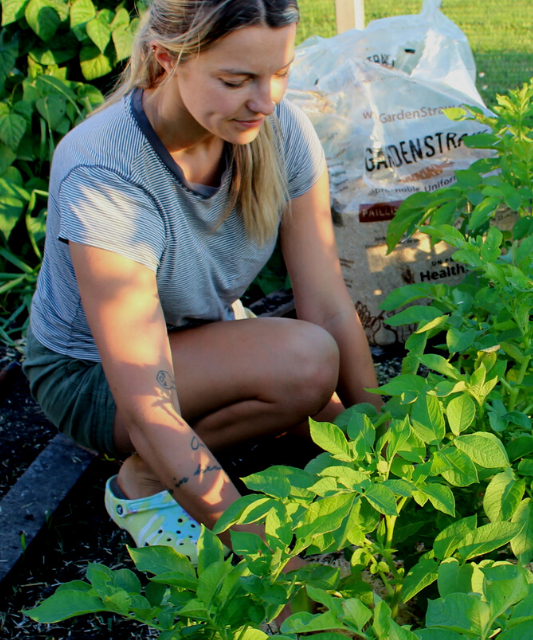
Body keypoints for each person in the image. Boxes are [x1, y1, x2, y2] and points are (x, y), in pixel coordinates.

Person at [22, 0, 381, 559]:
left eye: (280, 73)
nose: (266, 101)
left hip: (199, 333)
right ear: (167, 60)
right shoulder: (106, 169)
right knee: (305, 365)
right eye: (237, 80)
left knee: (335, 419)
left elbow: (330, 304)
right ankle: (141, 485)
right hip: (90, 373)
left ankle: (181, 457)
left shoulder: (278, 130)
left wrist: (391, 457)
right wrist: (271, 570)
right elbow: (147, 402)